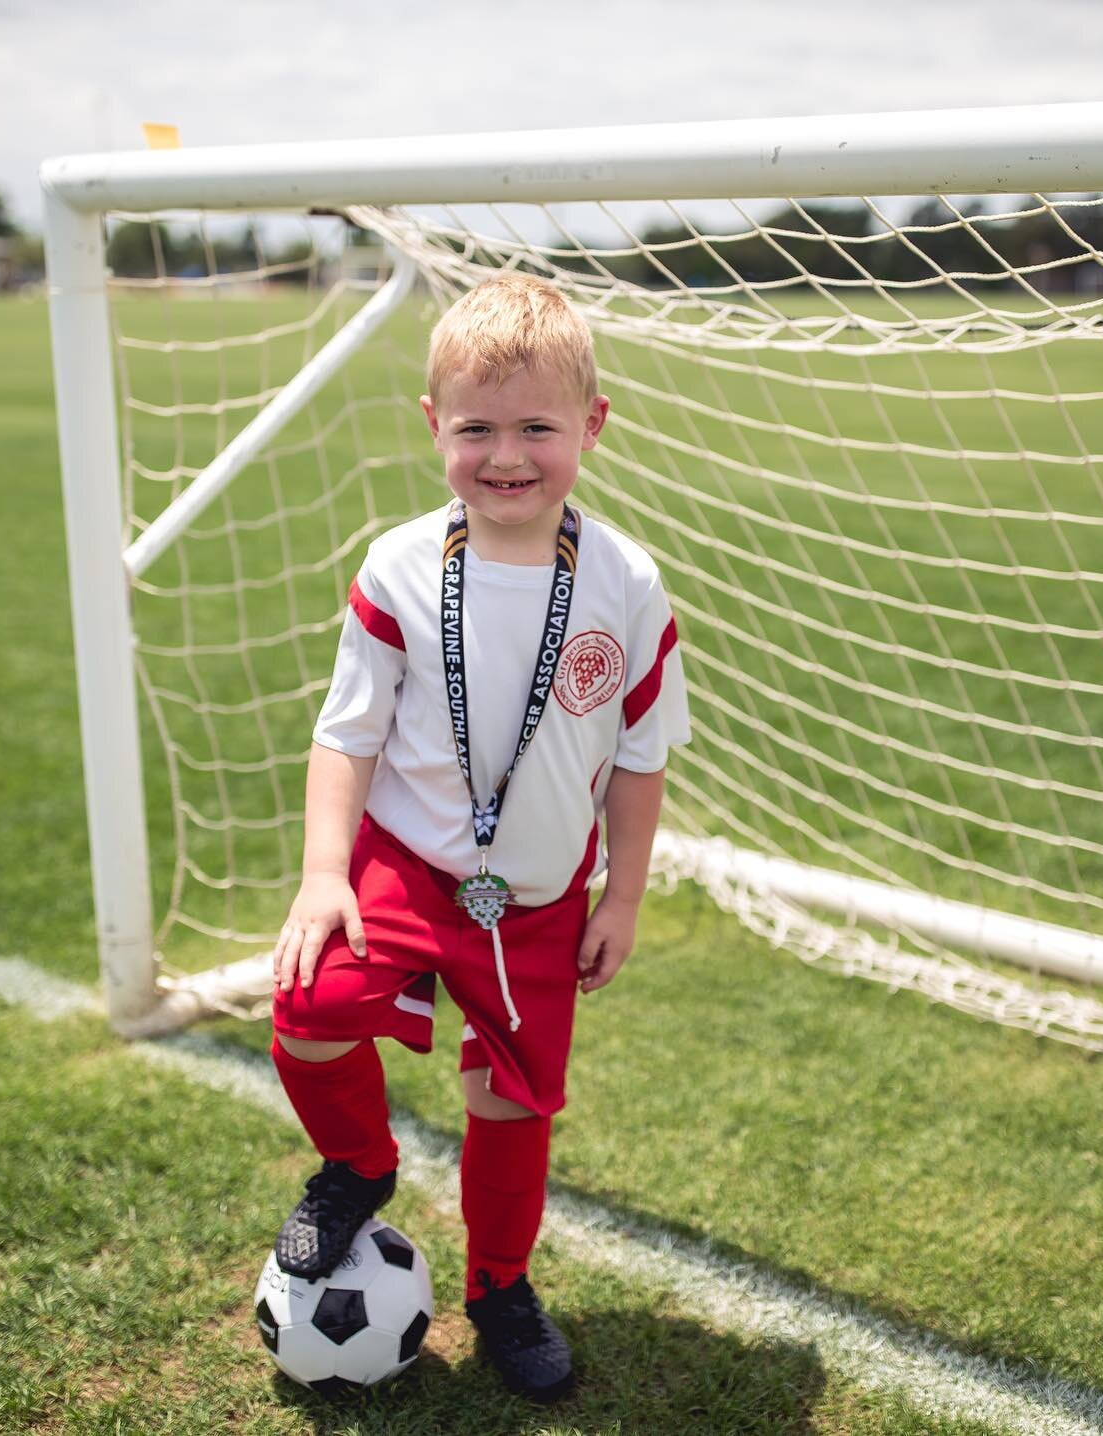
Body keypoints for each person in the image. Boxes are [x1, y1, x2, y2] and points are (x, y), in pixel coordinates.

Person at [266, 271, 690, 1403]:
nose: (507, 455)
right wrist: (322, 875)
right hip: (406, 868)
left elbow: (642, 758)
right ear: (434, 427)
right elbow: (345, 734)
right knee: (308, 1011)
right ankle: (358, 1164)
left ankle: (500, 1285)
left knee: (512, 1104)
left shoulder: (627, 583)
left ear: (591, 426)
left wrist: (624, 896)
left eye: (537, 427)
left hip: (542, 895)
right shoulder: (400, 565)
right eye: (478, 428)